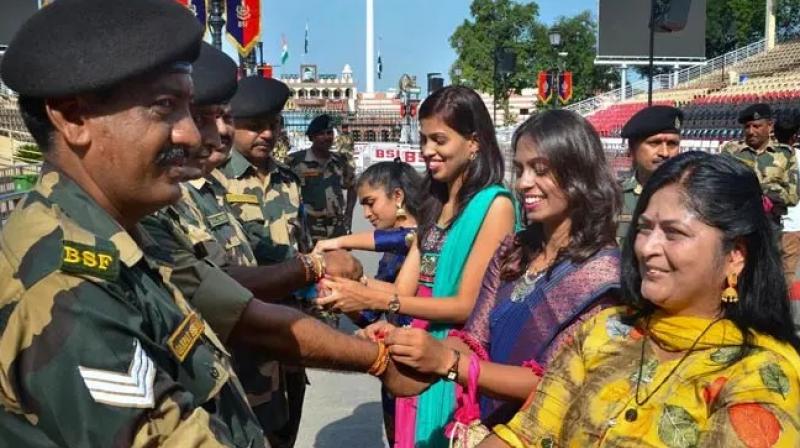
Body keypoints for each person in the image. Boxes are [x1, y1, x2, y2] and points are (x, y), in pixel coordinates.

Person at [0, 1, 424, 444]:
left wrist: (375, 356)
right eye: (165, 107)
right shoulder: (64, 283)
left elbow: (237, 309)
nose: (191, 135)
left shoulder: (120, 231)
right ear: (73, 118)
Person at [479, 151, 800, 447]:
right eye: (645, 229)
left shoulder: (761, 374)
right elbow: (525, 435)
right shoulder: (605, 331)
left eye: (674, 233)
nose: (646, 248)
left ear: (735, 255)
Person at [382, 110, 622, 436]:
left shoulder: (602, 276)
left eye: (540, 170)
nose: (523, 183)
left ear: (578, 173)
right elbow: (475, 339)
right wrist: (405, 345)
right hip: (488, 426)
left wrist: (448, 363)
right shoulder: (514, 252)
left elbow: (557, 381)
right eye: (521, 170)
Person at [318, 86, 517, 447]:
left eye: (440, 140)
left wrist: (376, 299)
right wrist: (349, 283)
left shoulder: (495, 205)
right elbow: (404, 290)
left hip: (452, 355)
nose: (427, 150)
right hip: (415, 348)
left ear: (474, 142)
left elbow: (466, 305)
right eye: (424, 139)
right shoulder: (435, 205)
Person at [314, 159, 425, 445]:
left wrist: (339, 242)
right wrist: (345, 300)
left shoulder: (425, 238)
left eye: (370, 203)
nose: (366, 213)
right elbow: (377, 314)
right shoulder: (392, 252)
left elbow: (405, 239)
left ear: (397, 196)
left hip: (421, 358)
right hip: (395, 358)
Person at [219, 76, 307, 263]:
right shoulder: (215, 179)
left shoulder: (288, 180)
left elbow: (303, 244)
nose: (267, 134)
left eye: (273, 125)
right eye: (255, 127)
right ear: (231, 126)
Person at [721, 103, 798, 228]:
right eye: (747, 127)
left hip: (771, 225)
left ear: (770, 126)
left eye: (757, 126)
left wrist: (762, 189)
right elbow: (721, 187)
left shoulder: (785, 154)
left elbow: (793, 197)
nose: (751, 131)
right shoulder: (731, 151)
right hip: (739, 224)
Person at [617, 105, 683, 242]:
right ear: (632, 149)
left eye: (672, 144)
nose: (665, 153)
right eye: (655, 143)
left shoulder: (692, 197)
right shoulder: (614, 198)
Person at [288, 114, 357, 243]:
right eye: (321, 134)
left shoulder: (340, 161)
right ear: (312, 137)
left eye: (329, 133)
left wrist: (348, 214)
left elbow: (353, 186)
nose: (327, 137)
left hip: (337, 229)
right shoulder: (295, 161)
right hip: (309, 230)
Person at [775, 116, 800, 287]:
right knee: (789, 273)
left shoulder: (764, 157)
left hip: (770, 222)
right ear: (795, 136)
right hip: (793, 224)